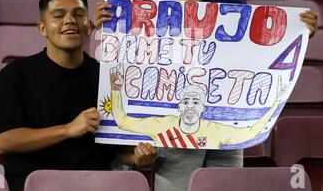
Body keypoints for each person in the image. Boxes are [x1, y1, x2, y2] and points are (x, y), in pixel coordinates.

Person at [93, 0, 318, 191]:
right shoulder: (155, 13)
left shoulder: (234, 5)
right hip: (174, 131)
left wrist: (298, 34)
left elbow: (258, 55)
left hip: (225, 133)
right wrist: (106, 25)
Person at [0, 0, 157, 191]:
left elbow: (118, 151)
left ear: (88, 26)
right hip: (32, 185)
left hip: (97, 186)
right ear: (42, 28)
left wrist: (136, 158)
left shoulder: (107, 77)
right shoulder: (15, 74)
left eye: (78, 14)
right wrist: (68, 129)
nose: (70, 20)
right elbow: (4, 142)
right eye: (58, 15)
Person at [110, 65, 286, 149]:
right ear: (179, 107)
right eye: (186, 102)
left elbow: (251, 132)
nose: (190, 107)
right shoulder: (162, 125)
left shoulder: (215, 129)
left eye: (195, 102)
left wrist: (276, 102)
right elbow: (122, 121)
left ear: (202, 108)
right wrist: (116, 89)